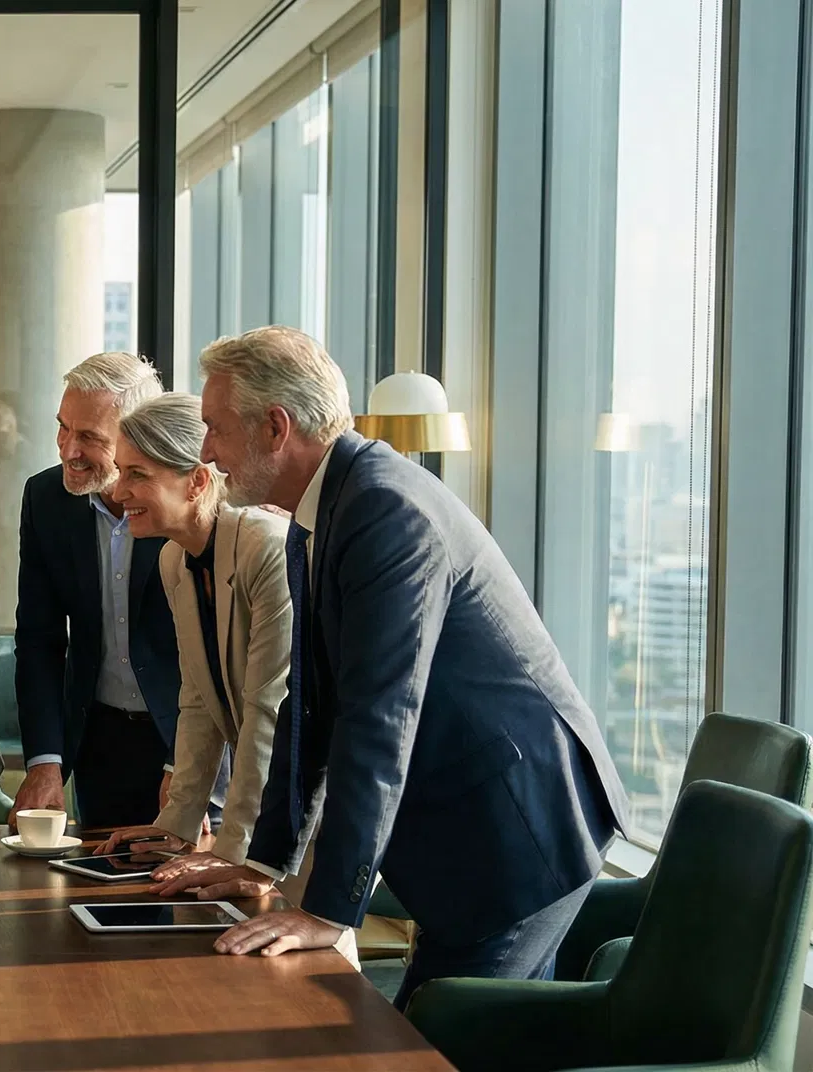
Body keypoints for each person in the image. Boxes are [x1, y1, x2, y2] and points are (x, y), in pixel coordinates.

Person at [155, 325, 626, 1007]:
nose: (207, 452)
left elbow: (378, 717)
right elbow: (308, 710)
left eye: (216, 429)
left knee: (434, 1043)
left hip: (517, 831)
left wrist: (328, 912)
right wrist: (258, 862)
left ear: (276, 427)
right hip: (470, 834)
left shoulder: (384, 510)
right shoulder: (321, 510)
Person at [91, 393, 292, 872]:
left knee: (304, 944)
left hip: (307, 815)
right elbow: (198, 701)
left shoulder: (268, 548)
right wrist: (175, 824)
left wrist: (234, 854)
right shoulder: (174, 559)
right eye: (120, 472)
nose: (118, 493)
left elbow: (269, 713)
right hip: (264, 810)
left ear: (198, 481)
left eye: (137, 474)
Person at [11, 352, 201, 830]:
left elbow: (214, 660)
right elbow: (39, 640)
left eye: (90, 438)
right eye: (63, 428)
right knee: (95, 890)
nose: (68, 449)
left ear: (138, 439)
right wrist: (44, 761)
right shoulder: (45, 499)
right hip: (98, 740)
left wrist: (187, 768)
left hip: (186, 739)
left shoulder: (184, 506)